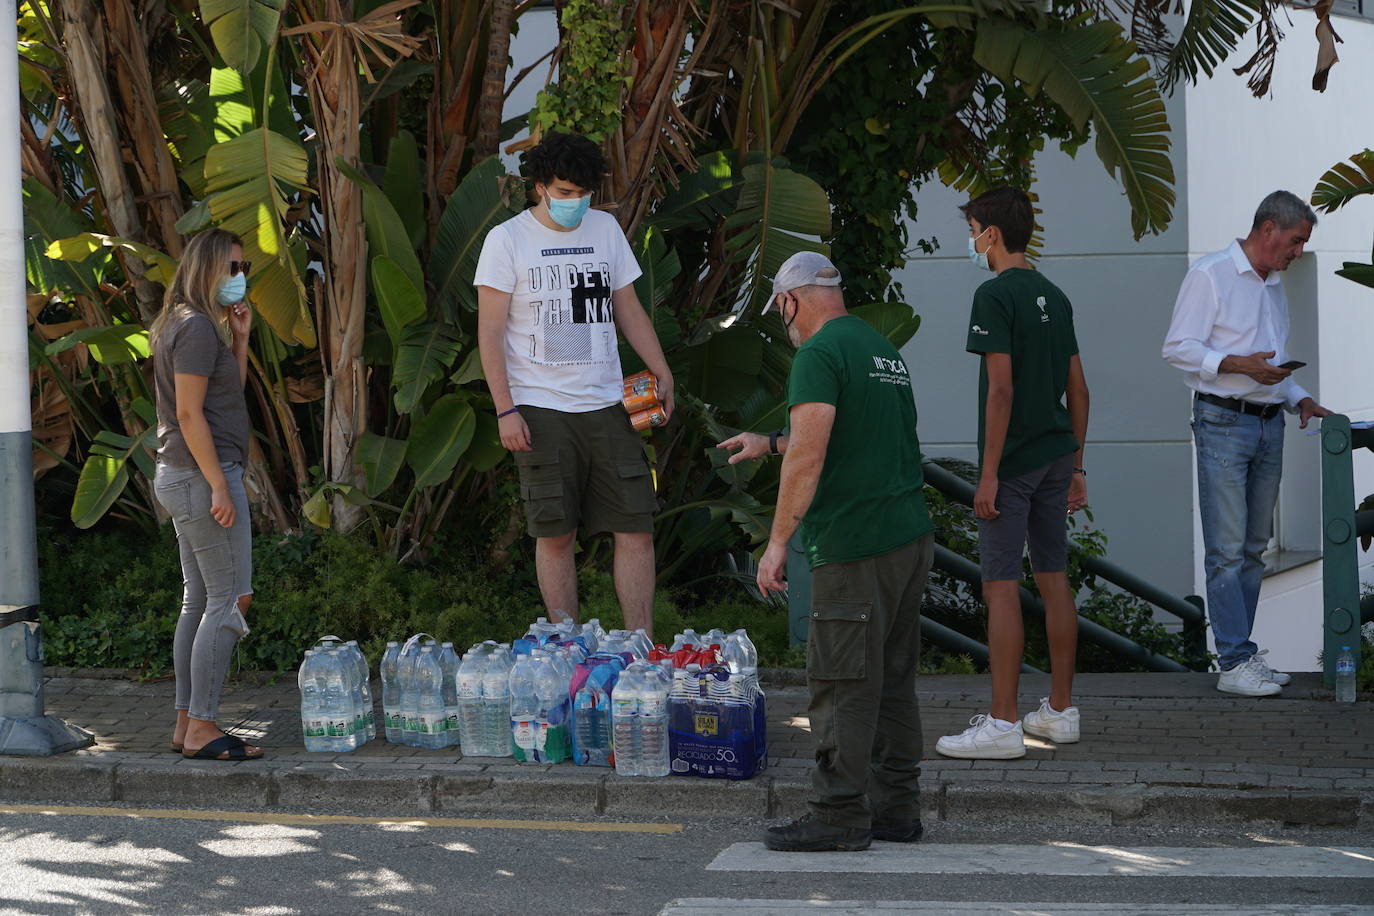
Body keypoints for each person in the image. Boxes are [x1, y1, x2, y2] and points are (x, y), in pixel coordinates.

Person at [719, 251, 936, 853]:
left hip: (854, 544)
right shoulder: (878, 349)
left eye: (779, 310)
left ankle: (839, 815)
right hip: (908, 540)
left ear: (791, 301)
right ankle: (898, 810)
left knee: (841, 682)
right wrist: (769, 440)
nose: (782, 322)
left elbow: (809, 456)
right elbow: (851, 428)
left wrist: (777, 544)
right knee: (892, 682)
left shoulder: (816, 354)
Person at [474, 131, 674, 635]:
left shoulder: (605, 229)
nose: (575, 202)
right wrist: (505, 409)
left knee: (636, 528)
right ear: (539, 186)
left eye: (583, 193)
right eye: (564, 192)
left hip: (609, 405)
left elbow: (627, 308)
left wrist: (661, 368)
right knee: (555, 533)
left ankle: (641, 648)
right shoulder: (507, 239)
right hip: (539, 409)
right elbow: (490, 331)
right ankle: (565, 646)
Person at [935, 187, 1090, 761]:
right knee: (1054, 580)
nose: (972, 239)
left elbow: (1001, 389)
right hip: (1056, 455)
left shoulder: (992, 295)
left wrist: (989, 475)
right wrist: (1077, 466)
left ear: (990, 234)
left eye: (973, 228)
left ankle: (1002, 723)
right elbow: (1078, 389)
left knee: (1000, 586)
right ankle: (1060, 711)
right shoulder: (1056, 294)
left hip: (1015, 461)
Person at [1162, 190, 1331, 696]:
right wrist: (1240, 365)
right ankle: (1234, 661)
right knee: (1228, 550)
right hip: (1222, 422)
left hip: (1268, 421)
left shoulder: (1274, 283)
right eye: (1296, 241)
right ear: (1267, 230)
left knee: (1254, 549)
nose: (1298, 251)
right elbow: (1177, 348)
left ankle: (1243, 656)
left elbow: (1272, 362)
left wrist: (1298, 396)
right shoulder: (1210, 274)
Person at [149, 228, 262, 761]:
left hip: (183, 475)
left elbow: (221, 399)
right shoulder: (195, 329)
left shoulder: (188, 323)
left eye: (243, 269)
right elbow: (191, 415)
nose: (240, 278)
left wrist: (239, 340)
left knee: (200, 599)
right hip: (202, 477)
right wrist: (220, 483)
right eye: (232, 268)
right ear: (206, 268)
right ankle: (202, 726)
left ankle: (184, 723)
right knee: (230, 597)